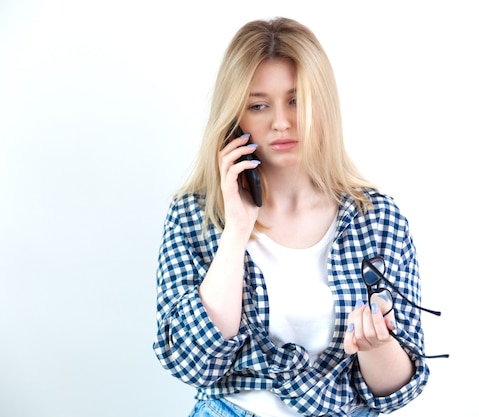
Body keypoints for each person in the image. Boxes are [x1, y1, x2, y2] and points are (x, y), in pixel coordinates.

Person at [153, 16, 443, 417]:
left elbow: (395, 390)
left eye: (296, 100)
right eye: (259, 105)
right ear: (234, 118)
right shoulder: (194, 217)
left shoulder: (377, 220)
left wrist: (377, 347)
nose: (282, 122)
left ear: (321, 105)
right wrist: (237, 229)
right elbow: (192, 361)